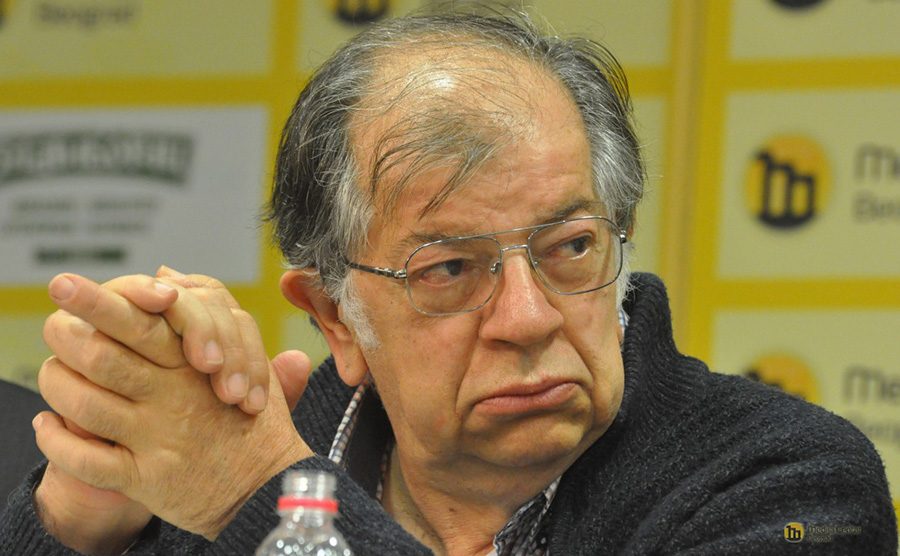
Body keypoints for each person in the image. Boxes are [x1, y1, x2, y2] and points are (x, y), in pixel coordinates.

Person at [1, 9, 896, 555]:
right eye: (451, 269)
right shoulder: (252, 446)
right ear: (335, 316)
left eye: (570, 247)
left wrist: (266, 506)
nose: (528, 317)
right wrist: (85, 519)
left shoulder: (786, 482)